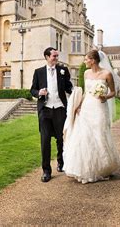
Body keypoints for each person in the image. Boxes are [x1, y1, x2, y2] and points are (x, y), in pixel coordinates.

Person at [63, 50, 120, 184]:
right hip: (86, 107)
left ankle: (103, 167)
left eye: (86, 59)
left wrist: (105, 96)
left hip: (99, 107)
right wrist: (78, 106)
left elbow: (113, 92)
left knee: (99, 135)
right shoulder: (86, 73)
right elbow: (85, 92)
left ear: (93, 60)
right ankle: (86, 168)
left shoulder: (107, 74)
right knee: (85, 137)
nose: (85, 62)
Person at [30, 47, 73, 182]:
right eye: (54, 56)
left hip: (60, 108)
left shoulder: (63, 70)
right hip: (45, 109)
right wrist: (38, 93)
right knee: (45, 140)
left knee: (61, 138)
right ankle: (46, 171)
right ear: (47, 57)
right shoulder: (39, 72)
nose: (56, 58)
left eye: (57, 56)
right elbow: (32, 89)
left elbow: (68, 87)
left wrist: (76, 92)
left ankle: (61, 162)